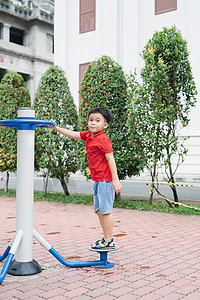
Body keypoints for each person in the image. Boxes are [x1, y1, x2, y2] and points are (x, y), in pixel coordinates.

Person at [50, 107, 122, 249]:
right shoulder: (89, 135)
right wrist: (56, 127)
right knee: (99, 210)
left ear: (105, 125)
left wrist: (115, 180)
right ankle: (106, 237)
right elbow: (73, 134)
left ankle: (109, 240)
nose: (93, 123)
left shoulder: (103, 139)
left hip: (106, 180)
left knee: (106, 210)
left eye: (97, 120)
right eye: (91, 120)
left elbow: (110, 159)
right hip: (98, 180)